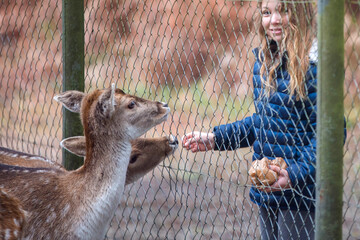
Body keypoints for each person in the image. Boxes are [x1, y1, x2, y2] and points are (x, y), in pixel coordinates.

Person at [182, 1, 345, 239]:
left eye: (283, 10)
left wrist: (294, 175)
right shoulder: (266, 62)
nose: (274, 20)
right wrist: (216, 139)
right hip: (268, 190)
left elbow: (331, 133)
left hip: (300, 197)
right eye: (267, 13)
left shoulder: (315, 67)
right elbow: (263, 122)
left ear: (300, 12)